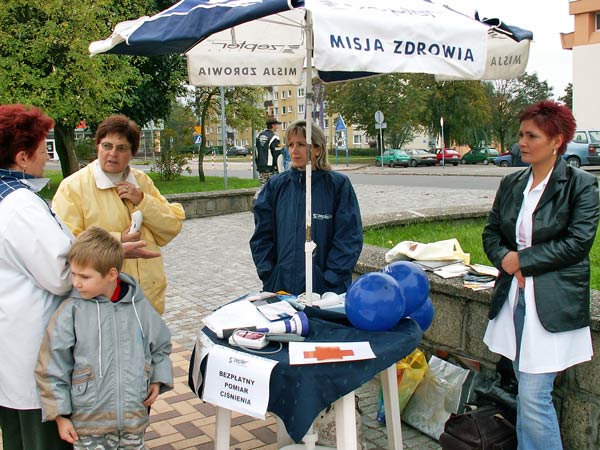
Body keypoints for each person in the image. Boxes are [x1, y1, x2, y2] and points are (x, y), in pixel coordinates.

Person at [482, 100, 599, 450]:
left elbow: (578, 243)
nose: (523, 142)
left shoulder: (581, 185)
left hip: (552, 302)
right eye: (521, 134)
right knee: (525, 390)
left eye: (532, 136)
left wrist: (523, 261)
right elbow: (491, 233)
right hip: (513, 302)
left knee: (534, 398)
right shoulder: (512, 183)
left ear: (556, 141)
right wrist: (505, 258)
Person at [35, 226, 173, 449]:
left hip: (133, 420)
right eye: (73, 274)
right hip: (89, 425)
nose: (76, 283)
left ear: (111, 274)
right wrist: (60, 416)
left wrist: (158, 378)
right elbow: (51, 365)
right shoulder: (71, 311)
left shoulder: (139, 306)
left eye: (84, 276)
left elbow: (161, 345)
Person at [52, 114, 185, 314]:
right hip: (103, 304)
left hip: (147, 300)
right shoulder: (73, 187)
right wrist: (115, 242)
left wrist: (142, 201)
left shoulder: (142, 182)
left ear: (132, 153)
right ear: (97, 146)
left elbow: (171, 227)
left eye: (121, 148)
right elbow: (67, 245)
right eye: (107, 146)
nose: (112, 153)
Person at [0, 104, 75, 449]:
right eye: (43, 149)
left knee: (16, 436)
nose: (47, 156)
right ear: (22, 157)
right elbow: (61, 274)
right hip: (34, 354)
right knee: (40, 440)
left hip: (11, 351)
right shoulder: (20, 206)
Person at [250, 120, 363, 296]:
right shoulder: (276, 185)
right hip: (281, 288)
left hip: (325, 292)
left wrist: (331, 279)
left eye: (302, 144)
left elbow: (348, 237)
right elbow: (262, 236)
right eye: (291, 144)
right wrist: (269, 274)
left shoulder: (337, 185)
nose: (294, 150)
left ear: (317, 149)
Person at [255, 116, 281, 185]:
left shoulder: (258, 136)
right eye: (277, 125)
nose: (277, 127)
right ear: (273, 125)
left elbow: (256, 151)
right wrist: (278, 168)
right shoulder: (274, 138)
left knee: (263, 188)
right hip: (271, 168)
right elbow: (277, 154)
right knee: (273, 188)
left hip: (261, 167)